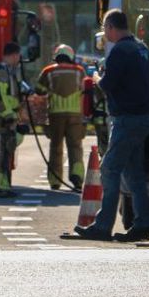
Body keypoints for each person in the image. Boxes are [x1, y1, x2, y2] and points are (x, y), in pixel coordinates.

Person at [74, 9, 149, 242]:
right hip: (143, 117)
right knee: (134, 173)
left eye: (104, 29)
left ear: (110, 27)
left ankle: (102, 226)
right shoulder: (142, 48)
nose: (104, 34)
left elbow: (108, 84)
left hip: (126, 119)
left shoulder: (120, 51)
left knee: (109, 169)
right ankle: (142, 225)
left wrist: (97, 77)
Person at [35, 44, 87, 190]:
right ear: (71, 56)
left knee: (56, 147)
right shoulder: (79, 71)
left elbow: (39, 90)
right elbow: (85, 90)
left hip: (55, 115)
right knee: (75, 147)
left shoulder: (49, 71)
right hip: (75, 115)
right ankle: (77, 178)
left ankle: (55, 180)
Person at [0, 42, 30, 198]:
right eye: (18, 56)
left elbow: (12, 96)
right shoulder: (0, 71)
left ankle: (4, 186)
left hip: (9, 117)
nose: (19, 59)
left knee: (7, 152)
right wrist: (8, 115)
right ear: (13, 55)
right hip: (0, 118)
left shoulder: (11, 71)